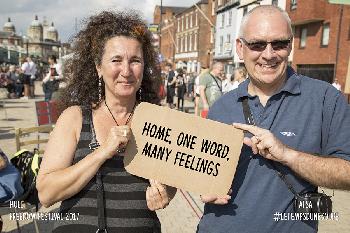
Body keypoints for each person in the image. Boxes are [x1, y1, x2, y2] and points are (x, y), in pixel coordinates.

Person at [197, 5, 350, 233]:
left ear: (291, 45)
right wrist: (204, 187)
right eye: (257, 44)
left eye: (278, 44)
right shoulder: (221, 107)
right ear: (240, 48)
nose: (268, 55)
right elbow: (201, 171)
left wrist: (288, 155)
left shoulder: (326, 99)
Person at [36, 11, 176, 233]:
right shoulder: (75, 118)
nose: (126, 71)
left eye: (135, 61)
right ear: (98, 67)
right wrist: (102, 152)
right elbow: (46, 193)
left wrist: (164, 193)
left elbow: (170, 183)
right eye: (116, 60)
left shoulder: (160, 120)